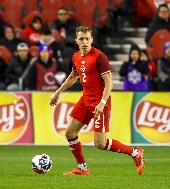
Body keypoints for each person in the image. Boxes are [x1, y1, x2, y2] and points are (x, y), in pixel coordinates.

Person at [50, 26, 145, 176]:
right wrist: (57, 93)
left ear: (91, 40)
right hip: (85, 99)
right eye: (81, 39)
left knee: (100, 143)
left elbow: (109, 83)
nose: (85, 42)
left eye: (87, 38)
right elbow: (73, 77)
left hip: (100, 102)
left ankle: (134, 152)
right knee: (69, 132)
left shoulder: (99, 57)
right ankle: (82, 168)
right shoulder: (76, 56)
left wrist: (102, 103)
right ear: (76, 41)